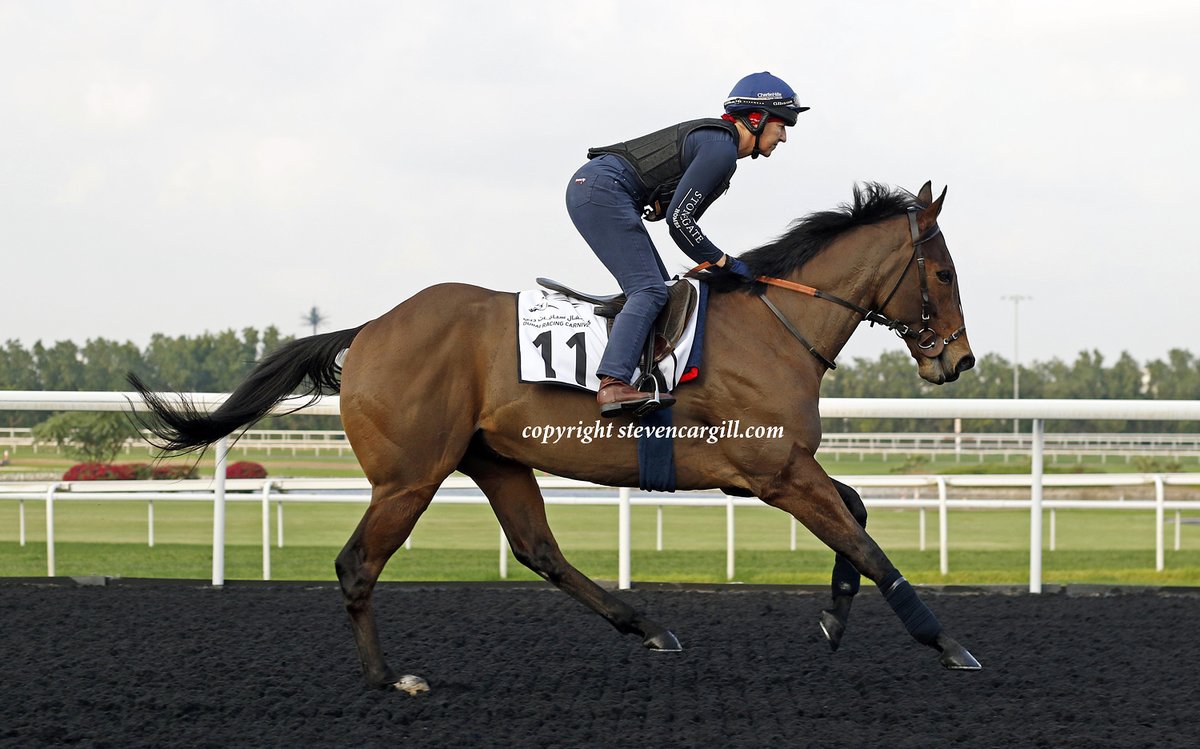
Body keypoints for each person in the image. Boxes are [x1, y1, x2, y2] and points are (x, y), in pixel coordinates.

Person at [566, 71, 808, 417]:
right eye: (782, 126)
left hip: (602, 188)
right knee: (649, 291)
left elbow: (673, 216)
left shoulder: (721, 154)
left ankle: (642, 376)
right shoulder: (720, 149)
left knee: (663, 291)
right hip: (601, 190)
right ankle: (613, 383)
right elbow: (681, 223)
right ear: (757, 119)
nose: (783, 137)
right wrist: (724, 262)